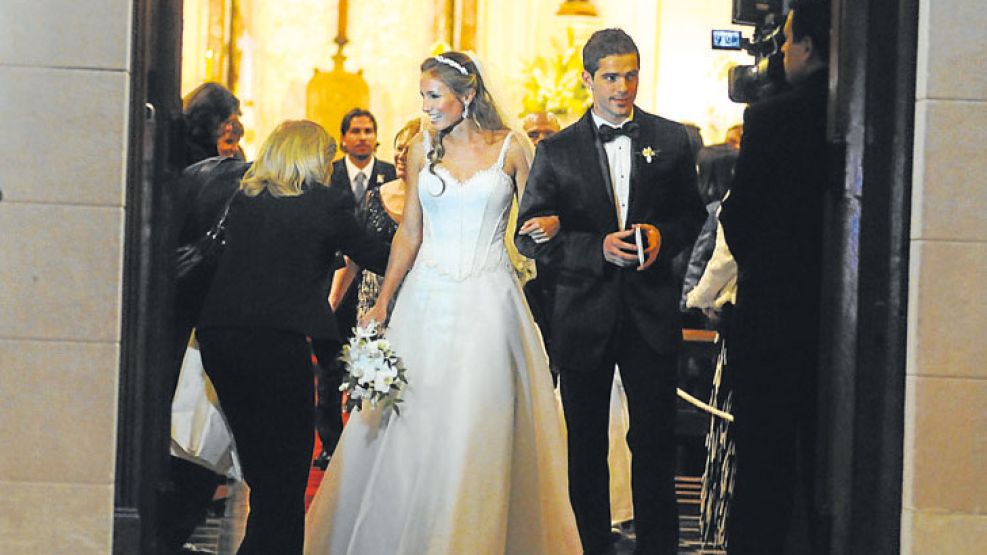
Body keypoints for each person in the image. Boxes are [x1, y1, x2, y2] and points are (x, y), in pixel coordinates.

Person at [304, 51, 581, 555]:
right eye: (423, 97)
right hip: (427, 300)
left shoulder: (512, 149)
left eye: (434, 96)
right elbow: (410, 232)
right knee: (414, 418)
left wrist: (549, 226)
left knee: (478, 416)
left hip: (489, 300)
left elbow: (544, 215)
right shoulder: (421, 149)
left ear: (467, 94)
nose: (426, 107)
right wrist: (384, 300)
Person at [516, 28, 706, 555]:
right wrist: (595, 247)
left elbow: (692, 214)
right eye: (611, 77)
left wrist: (661, 236)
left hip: (650, 312)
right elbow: (530, 236)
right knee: (585, 448)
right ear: (587, 80)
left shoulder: (670, 140)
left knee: (653, 444)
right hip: (583, 313)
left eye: (630, 75)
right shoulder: (555, 150)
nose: (623, 87)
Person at [195, 120, 388, 554]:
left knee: (262, 467)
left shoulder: (245, 197)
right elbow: (373, 253)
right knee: (288, 469)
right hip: (276, 345)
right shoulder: (325, 201)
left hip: (220, 341)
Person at [717, 1, 831, 553]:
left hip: (774, 314)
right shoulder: (869, 109)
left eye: (787, 41)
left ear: (808, 46)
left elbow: (738, 219)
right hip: (832, 320)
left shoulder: (773, 118)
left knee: (764, 458)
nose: (781, 51)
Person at [312, 108, 398, 469]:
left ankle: (369, 438)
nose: (363, 137)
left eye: (369, 130)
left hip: (373, 285)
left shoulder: (391, 176)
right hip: (334, 283)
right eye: (356, 131)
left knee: (371, 364)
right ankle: (331, 443)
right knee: (330, 369)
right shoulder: (328, 176)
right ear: (344, 138)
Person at [329, 117, 422, 320]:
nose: (402, 156)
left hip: (418, 301)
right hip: (371, 300)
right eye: (399, 148)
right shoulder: (375, 196)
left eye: (409, 150)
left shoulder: (434, 201)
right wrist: (333, 301)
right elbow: (353, 254)